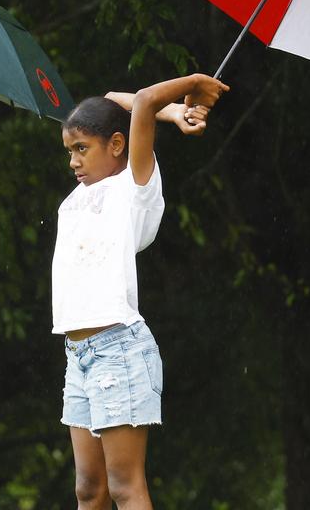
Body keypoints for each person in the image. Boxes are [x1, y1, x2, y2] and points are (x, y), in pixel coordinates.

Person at [51, 73, 229, 510]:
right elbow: (112, 97)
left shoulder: (134, 187)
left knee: (124, 486)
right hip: (80, 357)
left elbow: (143, 101)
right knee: (88, 490)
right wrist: (178, 112)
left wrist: (194, 84)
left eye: (81, 149)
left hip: (119, 350)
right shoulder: (79, 196)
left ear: (116, 145)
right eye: (69, 151)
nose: (73, 161)